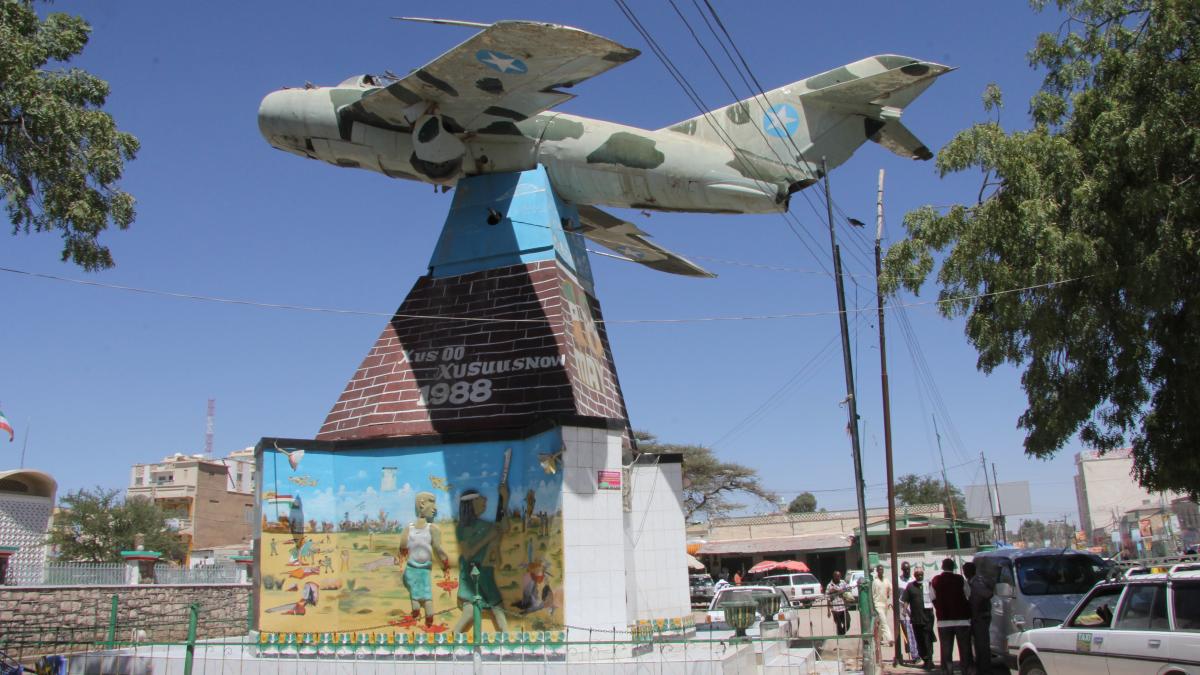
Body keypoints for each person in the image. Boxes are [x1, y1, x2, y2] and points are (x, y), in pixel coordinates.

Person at [452, 486, 510, 634]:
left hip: (486, 573)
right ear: (471, 504)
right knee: (473, 612)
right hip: (472, 574)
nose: (485, 500)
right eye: (479, 498)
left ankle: (507, 642)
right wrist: (487, 538)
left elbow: (504, 526)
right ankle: (452, 642)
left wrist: (504, 500)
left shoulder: (487, 525)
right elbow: (467, 553)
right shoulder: (462, 528)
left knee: (498, 610)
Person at [398, 491, 451, 628]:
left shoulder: (432, 529)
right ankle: (417, 612)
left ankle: (427, 618)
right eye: (432, 502)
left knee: (426, 594)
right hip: (411, 568)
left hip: (424, 570)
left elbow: (438, 549)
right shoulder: (408, 529)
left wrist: (445, 562)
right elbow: (403, 547)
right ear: (422, 504)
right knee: (418, 593)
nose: (435, 508)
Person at [930, 558, 971, 675]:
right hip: (962, 621)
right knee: (964, 651)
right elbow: (968, 595)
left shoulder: (936, 580)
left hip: (944, 622)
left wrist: (939, 608)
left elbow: (932, 598)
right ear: (953, 567)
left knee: (946, 652)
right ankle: (966, 671)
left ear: (942, 567)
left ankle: (947, 672)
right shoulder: (960, 579)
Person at [902, 566, 935, 669]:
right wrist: (904, 610)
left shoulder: (928, 585)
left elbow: (934, 598)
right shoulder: (910, 586)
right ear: (914, 575)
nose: (919, 576)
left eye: (921, 574)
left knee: (927, 639)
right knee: (919, 640)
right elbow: (906, 600)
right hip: (916, 618)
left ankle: (930, 660)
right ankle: (925, 659)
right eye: (917, 575)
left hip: (928, 618)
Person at [965, 561, 994, 675]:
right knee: (977, 645)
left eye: (967, 570)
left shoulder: (977, 582)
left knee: (983, 645)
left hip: (981, 617)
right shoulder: (969, 582)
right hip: (974, 617)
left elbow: (987, 594)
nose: (965, 573)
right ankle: (980, 667)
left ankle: (985, 669)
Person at [898, 561, 920, 664]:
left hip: (915, 609)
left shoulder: (913, 579)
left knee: (917, 633)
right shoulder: (899, 581)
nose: (907, 571)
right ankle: (914, 655)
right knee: (909, 634)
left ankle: (919, 653)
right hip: (904, 611)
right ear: (902, 570)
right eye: (905, 569)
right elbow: (899, 597)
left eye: (908, 569)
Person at [872, 564, 894, 645]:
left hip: (885, 604)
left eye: (882, 570)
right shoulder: (875, 581)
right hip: (877, 604)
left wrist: (890, 601)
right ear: (877, 571)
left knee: (881, 623)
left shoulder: (886, 580)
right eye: (879, 570)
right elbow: (872, 594)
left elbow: (891, 590)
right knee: (884, 622)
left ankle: (879, 639)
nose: (881, 571)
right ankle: (890, 639)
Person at [826, 570, 852, 636]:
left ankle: (841, 633)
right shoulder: (829, 586)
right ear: (834, 576)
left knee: (848, 622)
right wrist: (828, 610)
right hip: (835, 609)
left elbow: (848, 589)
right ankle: (840, 635)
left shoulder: (843, 582)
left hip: (843, 607)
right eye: (837, 576)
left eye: (839, 576)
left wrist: (837, 590)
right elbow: (827, 598)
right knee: (838, 624)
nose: (839, 577)